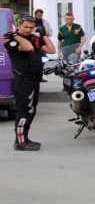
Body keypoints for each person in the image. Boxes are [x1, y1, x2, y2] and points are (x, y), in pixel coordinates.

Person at [4, 16, 55, 151]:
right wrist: (16, 35)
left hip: (34, 79)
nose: (28, 30)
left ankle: (25, 138)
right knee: (25, 111)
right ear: (19, 26)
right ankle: (20, 142)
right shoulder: (12, 42)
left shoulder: (34, 39)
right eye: (25, 27)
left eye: (31, 28)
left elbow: (51, 50)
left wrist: (44, 36)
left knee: (31, 110)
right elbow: (27, 47)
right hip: (23, 81)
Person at [33, 9, 53, 82]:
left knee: (43, 60)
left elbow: (50, 31)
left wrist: (47, 34)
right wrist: (40, 34)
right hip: (35, 44)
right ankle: (35, 76)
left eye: (41, 15)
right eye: (38, 15)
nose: (40, 17)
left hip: (44, 43)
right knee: (35, 61)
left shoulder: (45, 22)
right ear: (35, 15)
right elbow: (31, 33)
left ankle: (40, 77)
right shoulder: (32, 22)